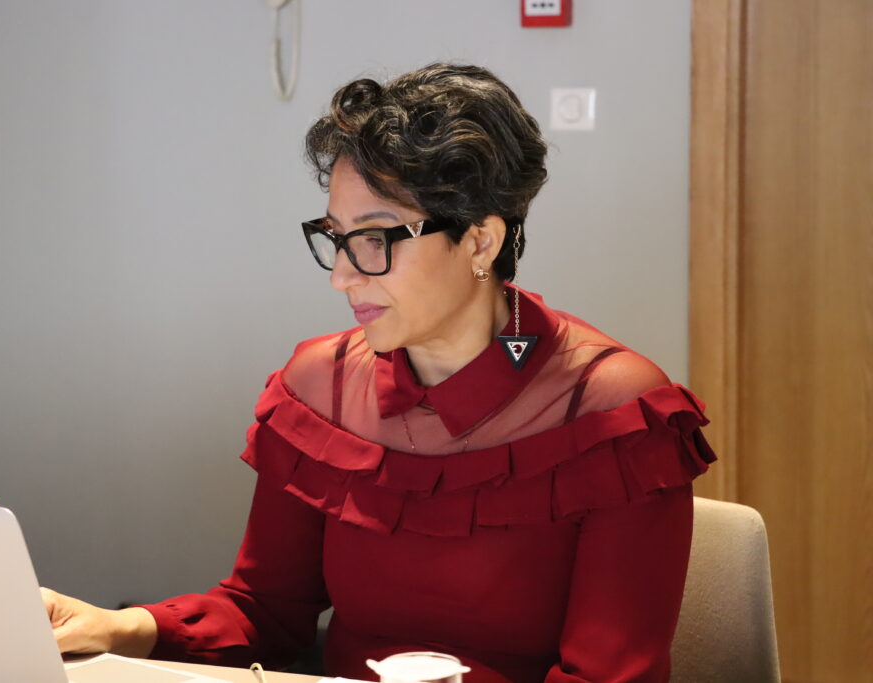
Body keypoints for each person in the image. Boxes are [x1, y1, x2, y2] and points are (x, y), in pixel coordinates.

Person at [41, 63, 716, 682]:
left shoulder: (616, 410)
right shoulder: (319, 387)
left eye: (375, 238)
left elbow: (609, 677)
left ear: (480, 239)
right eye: (336, 238)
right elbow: (265, 610)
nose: (341, 276)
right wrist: (120, 627)